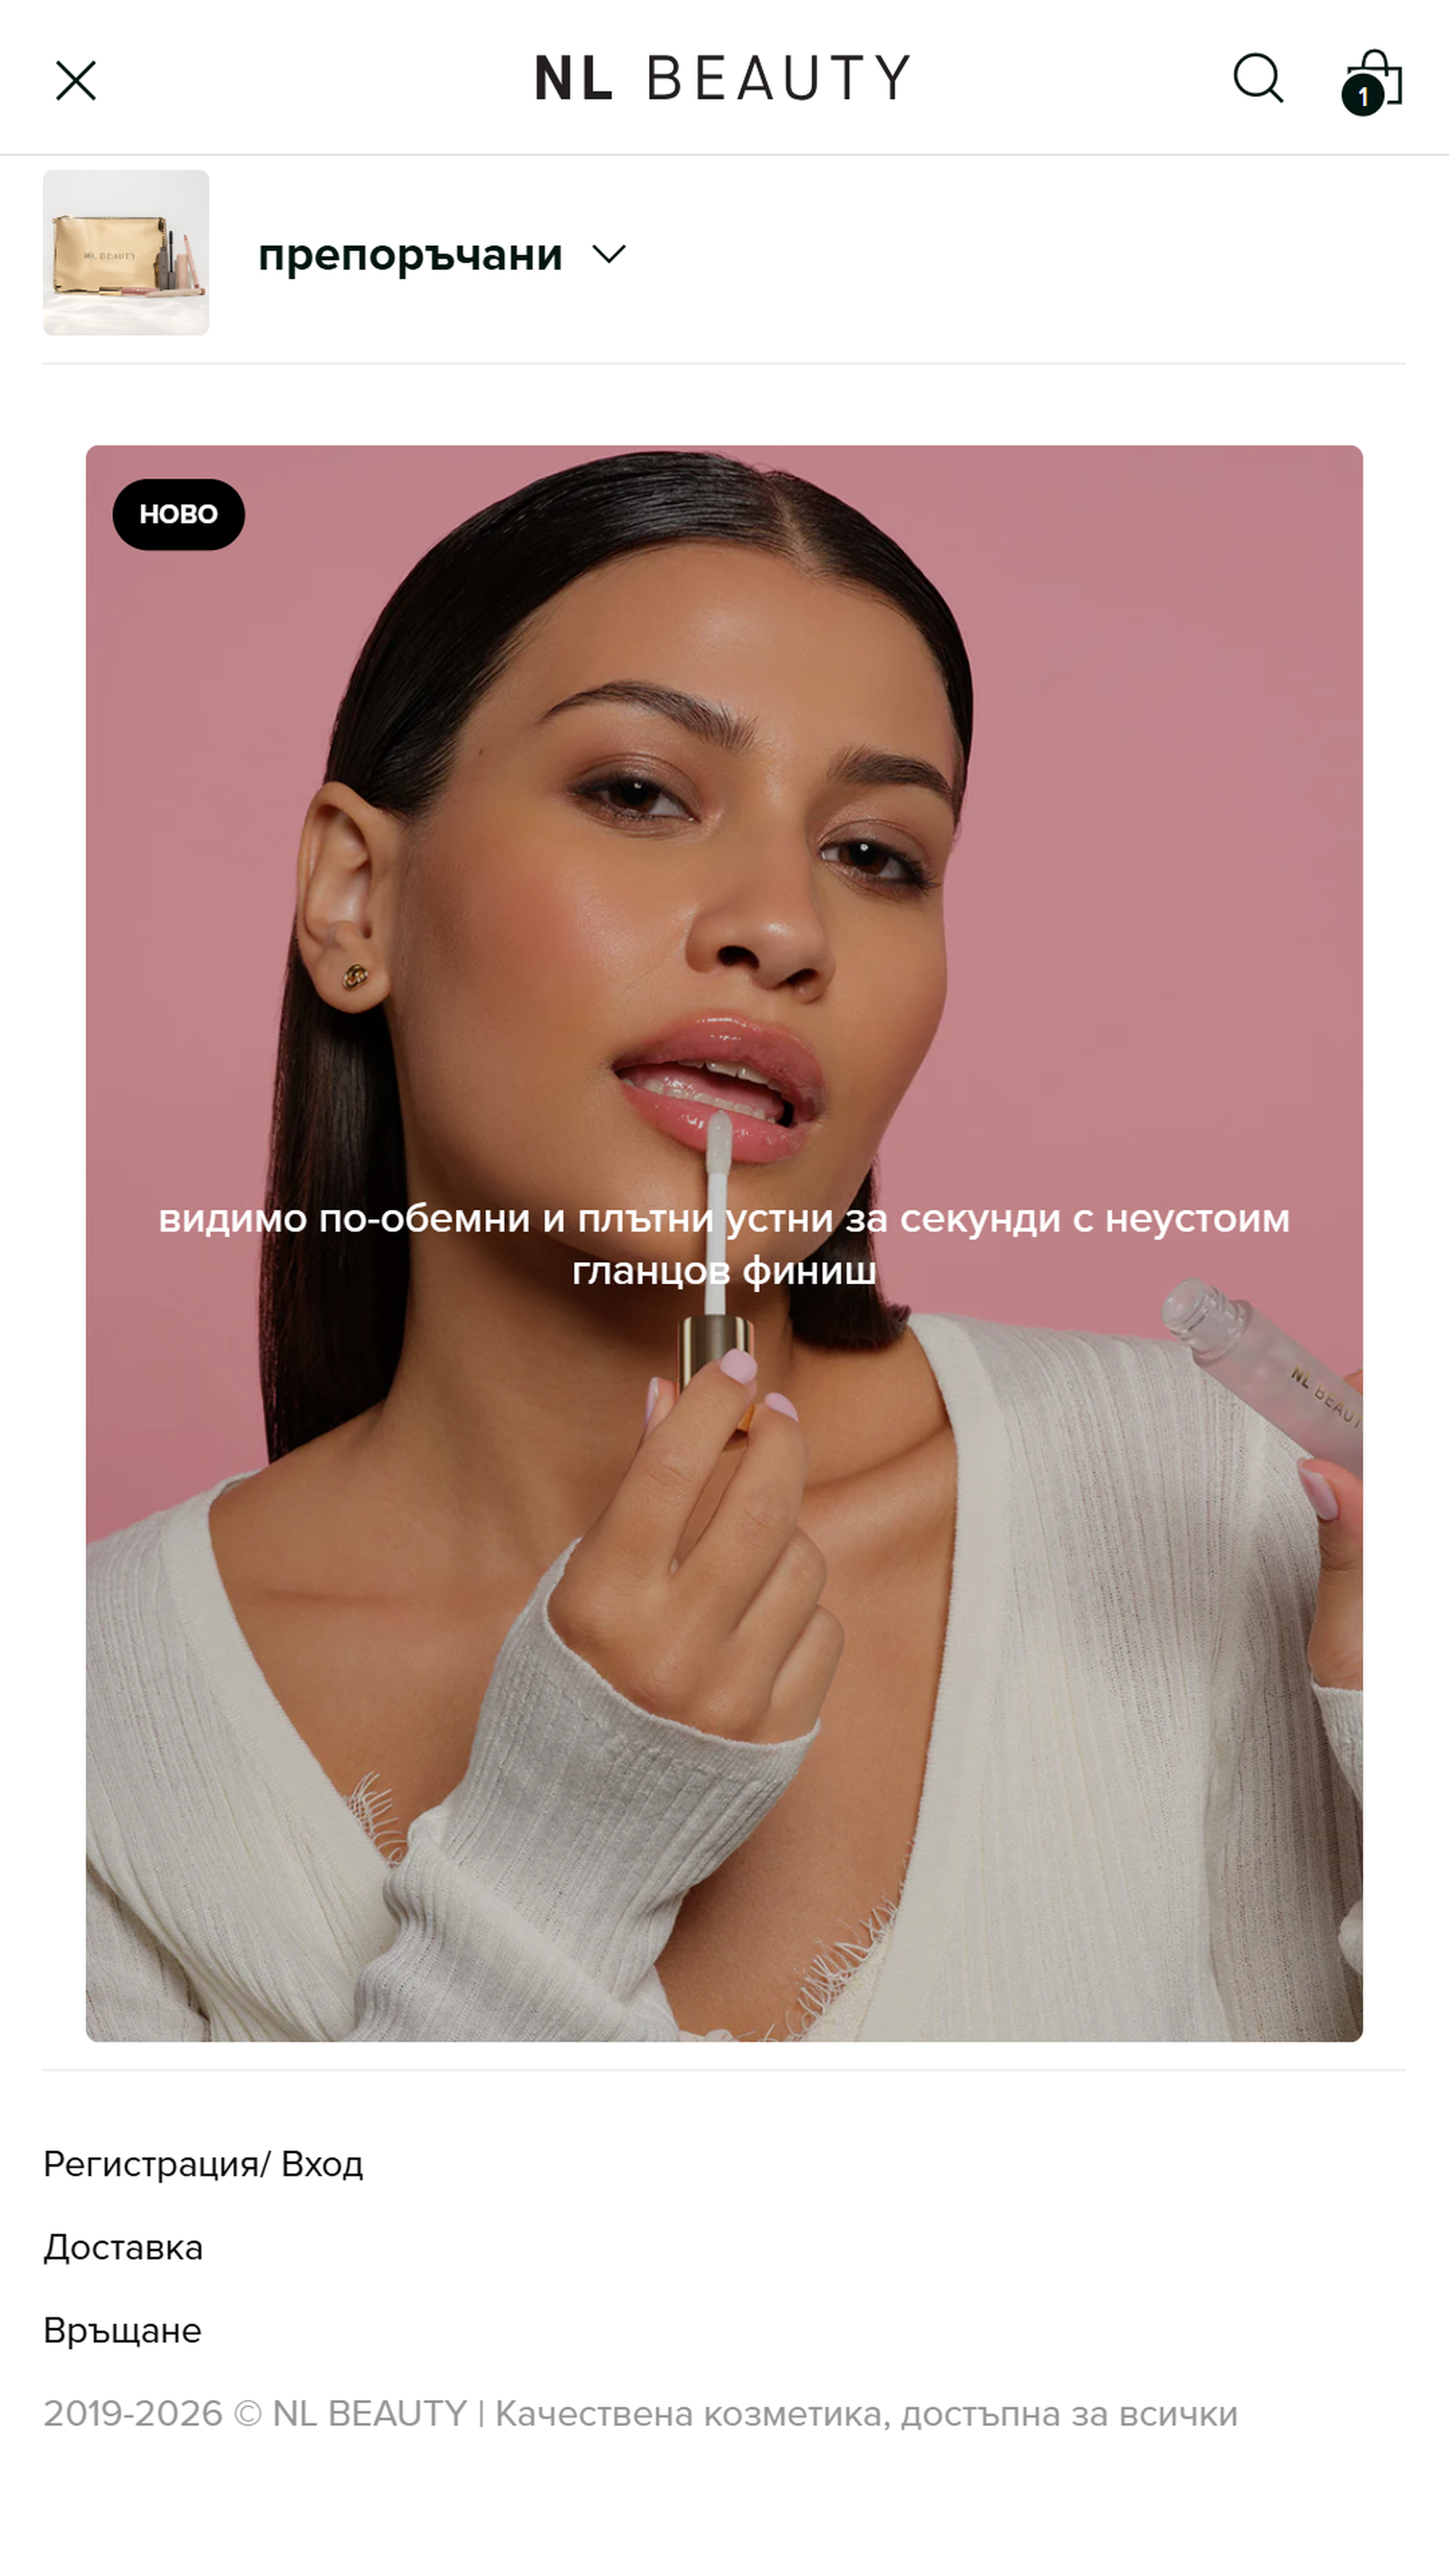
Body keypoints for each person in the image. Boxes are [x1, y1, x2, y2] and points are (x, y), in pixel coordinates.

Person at [87, 451, 1363, 2044]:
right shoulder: (86, 1723)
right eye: (639, 791)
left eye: (876, 853)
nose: (784, 926)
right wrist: (569, 1839)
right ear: (356, 895)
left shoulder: (1225, 1513)